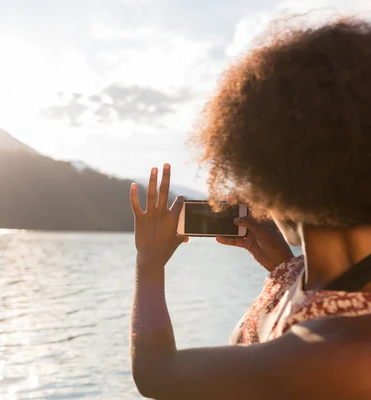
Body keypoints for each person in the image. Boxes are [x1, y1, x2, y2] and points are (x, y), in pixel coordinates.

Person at [130, 17, 371, 400]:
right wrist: (284, 267)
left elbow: (157, 374)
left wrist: (149, 263)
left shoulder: (340, 352)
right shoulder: (318, 281)